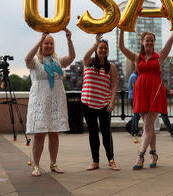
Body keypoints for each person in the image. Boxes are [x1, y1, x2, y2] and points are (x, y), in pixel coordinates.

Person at [119, 28, 173, 169]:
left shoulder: (160, 57)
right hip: (141, 93)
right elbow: (121, 47)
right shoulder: (136, 57)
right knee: (149, 126)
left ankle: (140, 156)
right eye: (147, 40)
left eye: (152, 40)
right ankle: (154, 154)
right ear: (142, 42)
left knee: (146, 125)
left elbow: (169, 42)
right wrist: (121, 29)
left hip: (155, 93)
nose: (150, 42)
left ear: (154, 42)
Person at [24, 29, 75, 177]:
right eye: (46, 43)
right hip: (40, 99)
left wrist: (69, 40)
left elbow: (72, 57)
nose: (48, 46)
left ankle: (53, 163)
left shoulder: (57, 61)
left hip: (56, 99)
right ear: (41, 45)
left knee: (54, 133)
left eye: (51, 43)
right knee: (39, 134)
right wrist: (39, 40)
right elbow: (27, 58)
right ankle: (36, 166)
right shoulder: (35, 61)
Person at [81, 34, 120, 171]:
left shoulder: (111, 67)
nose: (103, 50)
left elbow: (114, 85)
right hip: (88, 103)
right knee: (93, 133)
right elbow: (84, 57)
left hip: (104, 104)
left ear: (108, 51)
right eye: (101, 48)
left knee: (106, 134)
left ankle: (111, 160)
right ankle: (95, 161)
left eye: (105, 48)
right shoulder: (88, 62)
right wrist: (95, 43)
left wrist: (112, 101)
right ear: (97, 49)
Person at [125, 69, 140, 136]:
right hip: (134, 97)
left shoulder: (134, 75)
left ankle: (128, 126)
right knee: (137, 115)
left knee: (137, 115)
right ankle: (134, 131)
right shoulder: (134, 76)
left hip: (132, 97)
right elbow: (135, 88)